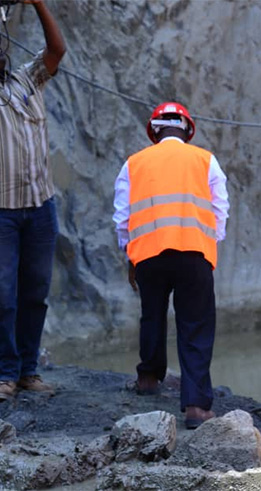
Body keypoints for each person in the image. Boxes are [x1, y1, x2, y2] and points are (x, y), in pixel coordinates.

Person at [113, 102, 229, 429]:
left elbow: (122, 219)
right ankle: (195, 407)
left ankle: (148, 378)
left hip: (148, 254)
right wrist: (206, 246)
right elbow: (220, 212)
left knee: (152, 314)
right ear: (187, 129)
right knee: (195, 325)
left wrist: (131, 257)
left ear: (155, 130)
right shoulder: (206, 160)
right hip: (195, 255)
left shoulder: (134, 163)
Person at [0, 0, 66, 402]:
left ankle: (27, 371)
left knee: (35, 291)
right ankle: (4, 371)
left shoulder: (28, 79)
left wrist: (38, 3)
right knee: (2, 294)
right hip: (2, 212)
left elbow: (57, 51)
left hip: (41, 206)